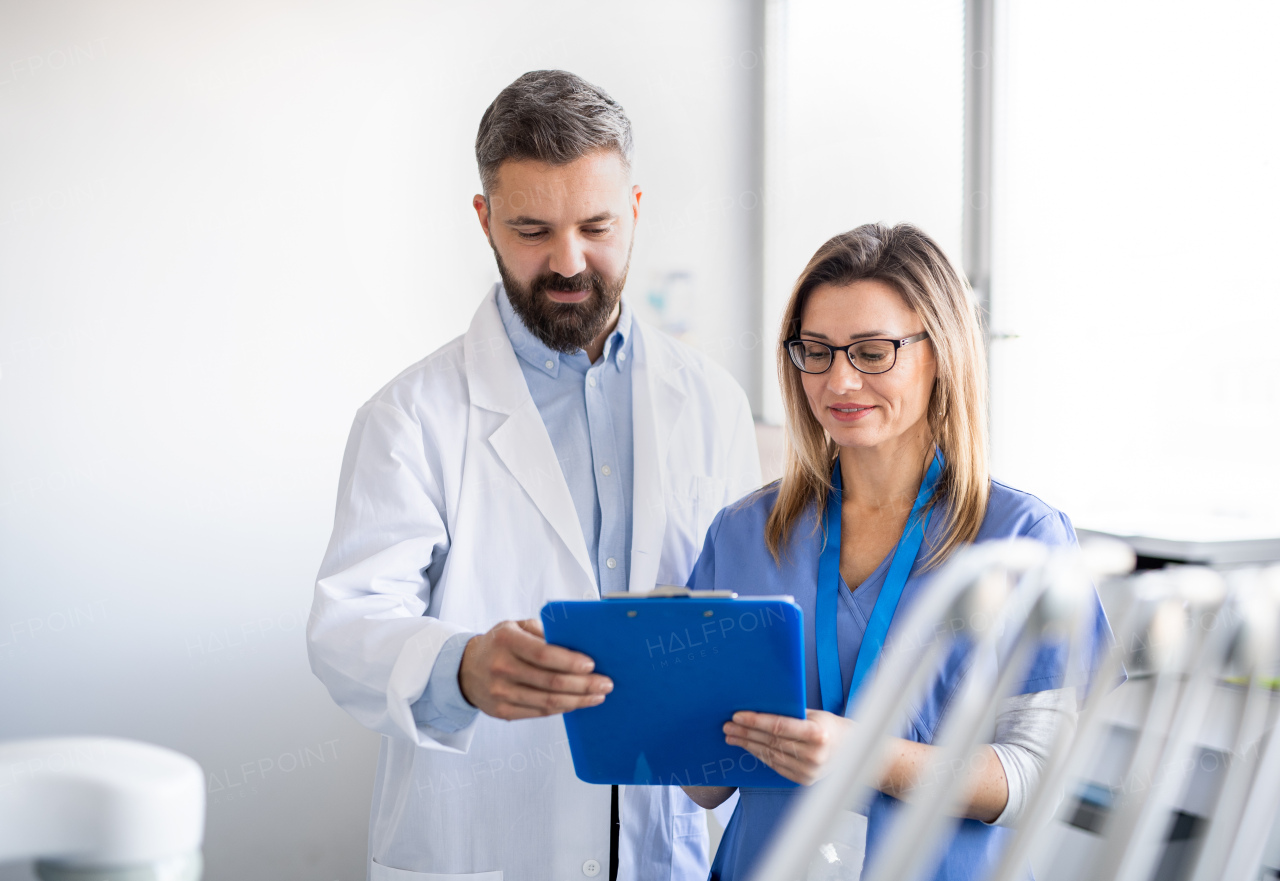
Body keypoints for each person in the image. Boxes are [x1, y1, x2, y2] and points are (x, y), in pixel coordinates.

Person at [306, 70, 760, 881]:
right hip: (484, 841)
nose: (569, 260)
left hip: (665, 847)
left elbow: (733, 615)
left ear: (636, 209)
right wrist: (461, 665)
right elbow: (348, 629)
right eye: (531, 229)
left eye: (597, 224)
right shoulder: (409, 417)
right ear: (483, 219)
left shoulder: (712, 402)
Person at [681, 223, 1116, 880]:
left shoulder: (1022, 538)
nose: (841, 380)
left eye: (873, 351)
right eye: (817, 351)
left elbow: (1044, 773)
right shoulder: (744, 532)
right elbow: (704, 786)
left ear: (940, 352)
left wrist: (868, 756)